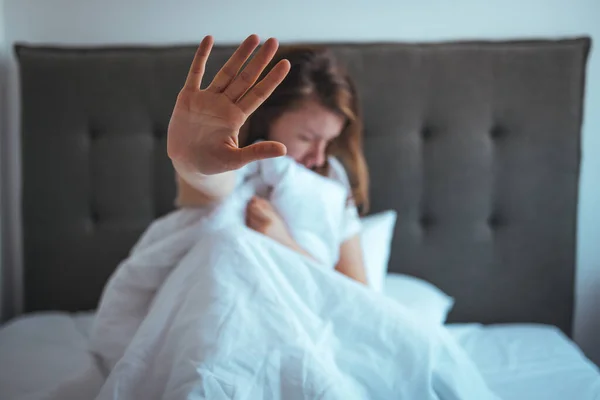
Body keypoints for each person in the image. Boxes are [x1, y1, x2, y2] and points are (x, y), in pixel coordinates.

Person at [168, 34, 369, 284]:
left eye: (328, 141)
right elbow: (211, 186)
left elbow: (357, 293)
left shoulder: (331, 176)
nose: (318, 157)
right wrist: (194, 163)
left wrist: (282, 242)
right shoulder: (232, 163)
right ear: (267, 117)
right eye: (307, 138)